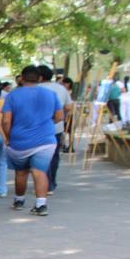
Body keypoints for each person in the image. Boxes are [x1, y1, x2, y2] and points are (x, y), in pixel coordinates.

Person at [2, 65, 63, 216]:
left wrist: (8, 136)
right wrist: (46, 124)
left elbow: (5, 121)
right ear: (40, 78)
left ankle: (19, 200)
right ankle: (41, 204)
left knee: (21, 172)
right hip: (46, 140)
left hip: (20, 141)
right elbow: (60, 116)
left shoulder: (13, 96)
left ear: (22, 78)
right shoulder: (51, 94)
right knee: (39, 171)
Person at [37, 65, 73, 193]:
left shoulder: (36, 89)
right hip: (57, 127)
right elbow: (69, 107)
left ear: (39, 76)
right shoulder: (61, 88)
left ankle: (46, 182)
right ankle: (51, 182)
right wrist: (60, 111)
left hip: (39, 128)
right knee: (54, 155)